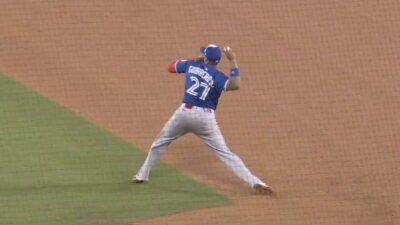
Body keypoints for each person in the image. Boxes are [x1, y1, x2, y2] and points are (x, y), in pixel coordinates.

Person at [133, 44, 272, 194]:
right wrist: (233, 61)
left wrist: (194, 60)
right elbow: (235, 84)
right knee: (226, 153)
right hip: (205, 119)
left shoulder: (191, 65)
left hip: (184, 114)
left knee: (160, 143)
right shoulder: (217, 76)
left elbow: (170, 67)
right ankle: (255, 182)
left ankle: (142, 174)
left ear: (205, 57)